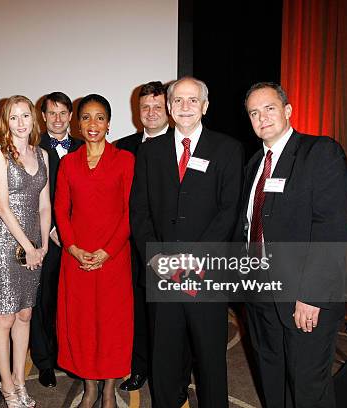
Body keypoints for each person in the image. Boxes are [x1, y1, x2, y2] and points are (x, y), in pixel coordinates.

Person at [130, 76, 244, 408]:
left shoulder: (227, 149)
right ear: (168, 106)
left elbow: (229, 211)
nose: (184, 106)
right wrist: (156, 258)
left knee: (209, 358)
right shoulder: (150, 152)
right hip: (161, 268)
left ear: (205, 106)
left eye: (193, 100)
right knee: (164, 357)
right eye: (178, 100)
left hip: (205, 270)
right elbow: (140, 210)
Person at [238, 82, 347, 408]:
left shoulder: (320, 153)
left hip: (303, 297)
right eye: (254, 113)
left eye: (269, 108)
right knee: (272, 376)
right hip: (260, 293)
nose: (262, 117)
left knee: (307, 388)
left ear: (287, 111)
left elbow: (331, 228)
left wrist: (311, 294)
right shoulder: (253, 167)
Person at [55, 94, 135, 408]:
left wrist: (108, 251)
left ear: (109, 123)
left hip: (114, 257)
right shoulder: (68, 162)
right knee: (82, 323)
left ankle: (108, 391)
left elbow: (131, 211)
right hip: (76, 257)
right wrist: (73, 249)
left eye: (99, 117)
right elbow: (62, 210)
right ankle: (89, 387)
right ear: (77, 123)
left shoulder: (125, 160)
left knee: (112, 325)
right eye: (86, 117)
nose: (92, 124)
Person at [0, 95, 50, 407]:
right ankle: (7, 385)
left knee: (25, 314)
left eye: (26, 116)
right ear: (5, 121)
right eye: (14, 117)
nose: (21, 123)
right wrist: (27, 246)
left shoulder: (43, 154)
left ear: (33, 119)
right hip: (6, 244)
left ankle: (20, 381)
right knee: (6, 316)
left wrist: (44, 245)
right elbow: (2, 206)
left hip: (35, 245)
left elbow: (44, 204)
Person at [115, 81, 170, 392]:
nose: (150, 113)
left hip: (167, 246)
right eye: (145, 107)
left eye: (157, 107)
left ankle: (172, 370)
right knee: (136, 311)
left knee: (169, 314)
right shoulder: (123, 147)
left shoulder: (180, 144)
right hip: (129, 246)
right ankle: (140, 367)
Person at [31, 91, 83, 388]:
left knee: (73, 302)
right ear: (44, 116)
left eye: (64, 113)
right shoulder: (33, 148)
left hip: (78, 238)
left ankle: (70, 356)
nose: (58, 118)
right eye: (52, 113)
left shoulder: (84, 145)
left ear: (70, 116)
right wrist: (51, 229)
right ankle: (45, 362)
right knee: (44, 301)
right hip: (45, 237)